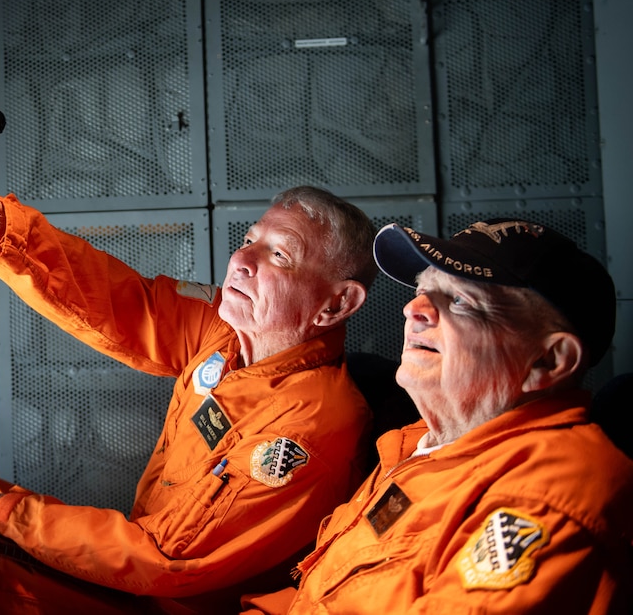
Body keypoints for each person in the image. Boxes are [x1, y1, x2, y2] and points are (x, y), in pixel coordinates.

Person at [0, 124, 377, 613]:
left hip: (162, 599)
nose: (242, 260)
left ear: (335, 305)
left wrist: (7, 514)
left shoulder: (311, 428)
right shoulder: (228, 332)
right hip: (137, 583)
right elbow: (112, 301)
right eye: (250, 239)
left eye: (280, 256)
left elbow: (168, 558)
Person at [242, 219, 633, 614]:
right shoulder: (423, 442)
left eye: (460, 300)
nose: (413, 309)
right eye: (422, 290)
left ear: (547, 361)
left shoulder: (549, 492)